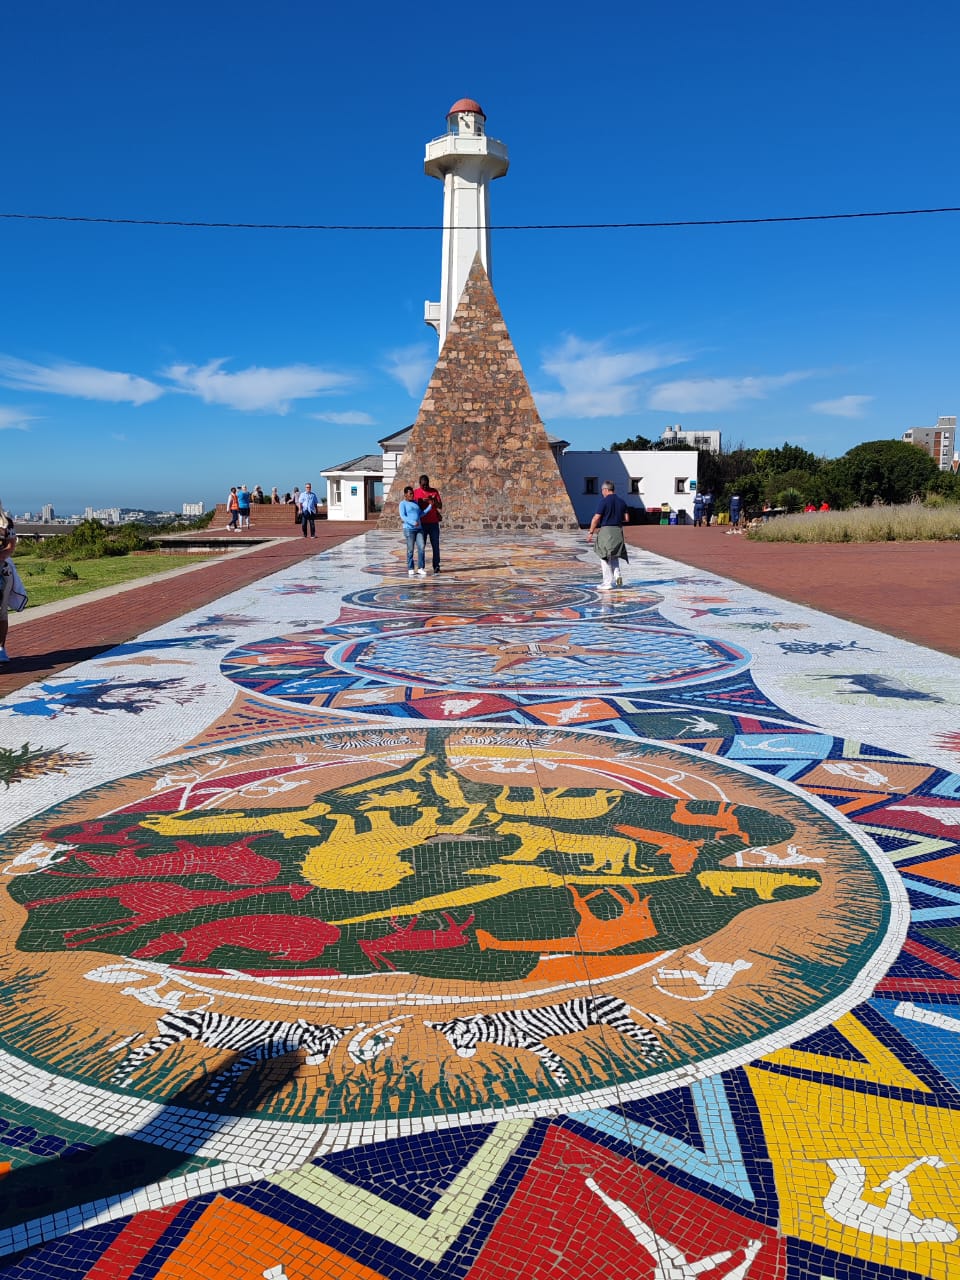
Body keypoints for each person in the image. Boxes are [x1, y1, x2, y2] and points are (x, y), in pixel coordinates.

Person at [587, 480, 630, 591]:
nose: (602, 493)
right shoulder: (622, 501)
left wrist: (591, 532)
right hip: (618, 531)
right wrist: (616, 518)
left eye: (602, 490)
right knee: (614, 557)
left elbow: (596, 518)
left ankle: (607, 583)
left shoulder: (604, 502)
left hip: (606, 531)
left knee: (604, 556)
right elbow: (627, 518)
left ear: (606, 489)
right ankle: (618, 580)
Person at [0, 501, 20, 662]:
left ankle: (1, 648)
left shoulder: (6, 523)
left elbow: (10, 546)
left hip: (2, 571)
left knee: (1, 611)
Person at [414, 474, 443, 574]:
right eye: (423, 485)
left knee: (435, 545)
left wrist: (433, 501)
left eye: (427, 484)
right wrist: (422, 501)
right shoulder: (416, 492)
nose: (425, 486)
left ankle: (436, 566)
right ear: (419, 484)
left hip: (433, 523)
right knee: (421, 546)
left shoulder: (434, 491)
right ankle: (421, 567)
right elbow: (413, 505)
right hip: (422, 524)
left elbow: (440, 506)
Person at [399, 485, 428, 577]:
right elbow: (403, 516)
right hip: (409, 529)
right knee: (410, 549)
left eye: (413, 493)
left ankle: (420, 568)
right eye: (410, 494)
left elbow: (420, 514)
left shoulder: (415, 503)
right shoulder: (403, 504)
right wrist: (412, 522)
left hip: (419, 529)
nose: (412, 495)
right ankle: (410, 568)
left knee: (421, 547)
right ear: (405, 495)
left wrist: (430, 507)